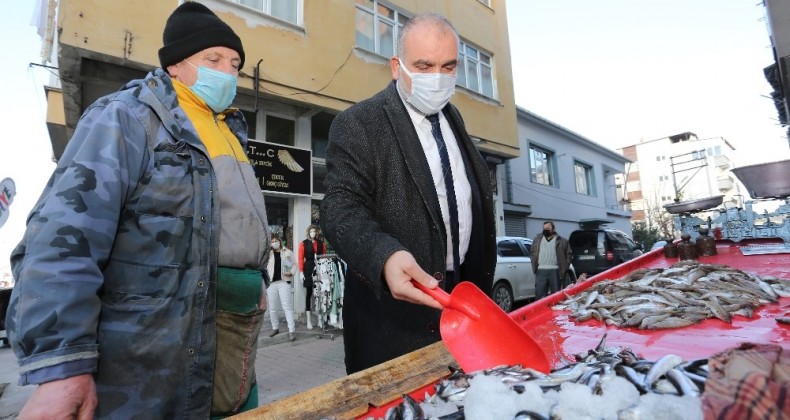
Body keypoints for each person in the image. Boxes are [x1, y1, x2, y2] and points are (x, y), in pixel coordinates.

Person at [6, 2, 271, 418]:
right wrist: (63, 366)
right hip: (148, 361)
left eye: (235, 62)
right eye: (213, 59)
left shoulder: (230, 129)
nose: (227, 71)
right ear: (175, 66)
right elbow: (61, 239)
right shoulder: (128, 118)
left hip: (232, 345)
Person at [320, 13, 497, 374]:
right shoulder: (360, 124)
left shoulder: (455, 120)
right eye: (424, 65)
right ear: (396, 67)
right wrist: (383, 256)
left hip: (464, 320)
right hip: (394, 331)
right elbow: (339, 208)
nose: (437, 78)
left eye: (448, 66)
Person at [266, 234, 298, 341]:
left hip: (284, 282)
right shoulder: (268, 254)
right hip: (271, 284)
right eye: (272, 241)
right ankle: (275, 328)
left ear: (280, 241)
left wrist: (291, 273)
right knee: (273, 308)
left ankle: (292, 330)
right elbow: (263, 267)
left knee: (287, 306)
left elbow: (294, 264)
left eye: (276, 241)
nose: (274, 243)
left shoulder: (287, 252)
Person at [530, 221, 573, 298]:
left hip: (555, 271)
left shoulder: (562, 241)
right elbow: (532, 253)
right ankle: (541, 310)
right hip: (541, 270)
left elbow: (569, 254)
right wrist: (534, 264)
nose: (545, 230)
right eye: (544, 228)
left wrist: (565, 267)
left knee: (556, 296)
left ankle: (555, 309)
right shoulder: (537, 240)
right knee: (539, 295)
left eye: (548, 228)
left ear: (554, 229)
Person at [297, 224, 326, 329]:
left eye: (314, 231)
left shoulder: (321, 244)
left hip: (319, 268)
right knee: (309, 293)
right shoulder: (303, 244)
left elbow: (324, 257)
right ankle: (309, 320)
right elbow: (300, 258)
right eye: (311, 232)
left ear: (317, 233)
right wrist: (301, 272)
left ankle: (319, 318)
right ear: (308, 233)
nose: (313, 233)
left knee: (320, 294)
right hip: (308, 268)